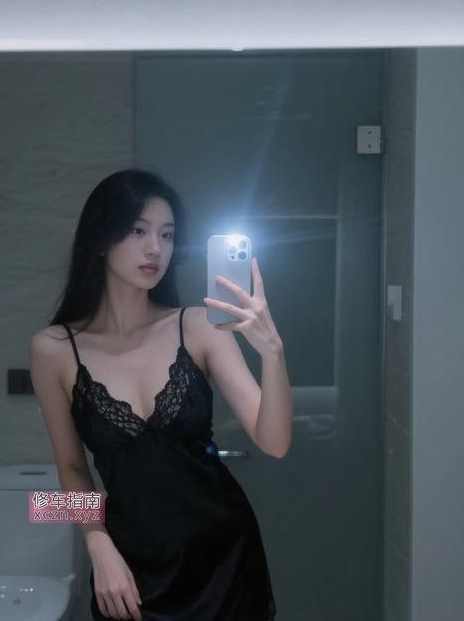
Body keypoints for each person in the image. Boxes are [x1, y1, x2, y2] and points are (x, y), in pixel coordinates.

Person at [28, 168, 292, 620]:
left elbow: (275, 443)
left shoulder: (199, 327)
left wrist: (273, 353)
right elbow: (70, 467)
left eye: (167, 235)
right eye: (138, 230)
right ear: (100, 238)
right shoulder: (52, 349)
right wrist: (97, 543)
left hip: (224, 560)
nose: (156, 248)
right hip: (129, 572)